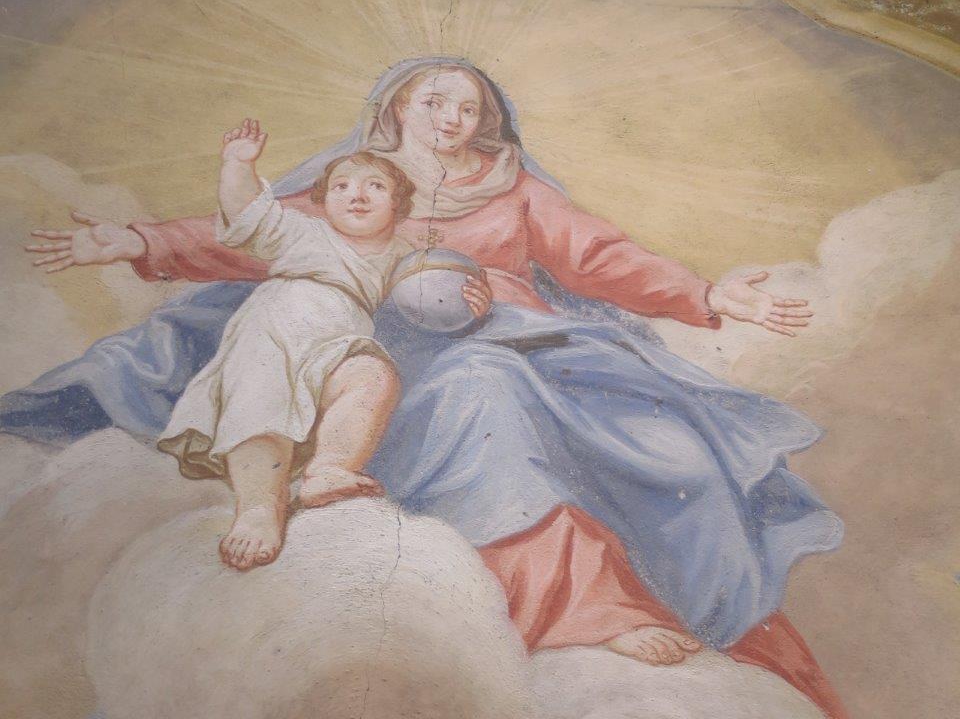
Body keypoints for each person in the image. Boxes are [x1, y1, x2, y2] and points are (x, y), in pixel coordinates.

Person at [8, 57, 847, 717]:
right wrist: (138, 240)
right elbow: (254, 233)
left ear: (488, 121)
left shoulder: (513, 190)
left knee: (634, 435)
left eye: (469, 108)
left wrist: (708, 296)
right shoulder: (359, 181)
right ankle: (580, 605)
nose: (452, 119)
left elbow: (601, 257)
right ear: (397, 109)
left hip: (504, 339)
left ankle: (596, 604)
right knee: (463, 388)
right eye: (435, 102)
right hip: (379, 347)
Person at [158, 121, 452, 571]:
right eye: (342, 186)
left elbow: (442, 287)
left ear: (398, 204)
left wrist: (465, 291)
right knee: (260, 410)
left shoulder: (401, 253)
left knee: (374, 378)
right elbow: (246, 212)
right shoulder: (303, 233)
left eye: (375, 186)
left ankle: (329, 469)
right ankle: (259, 509)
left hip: (338, 344)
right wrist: (238, 165)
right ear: (324, 200)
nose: (357, 194)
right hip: (274, 335)